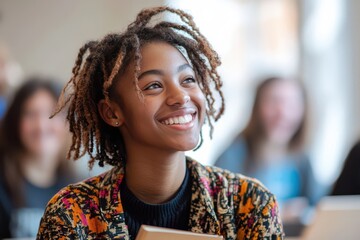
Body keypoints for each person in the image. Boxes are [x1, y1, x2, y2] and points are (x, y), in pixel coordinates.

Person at [36, 7, 284, 239]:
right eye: (154, 85)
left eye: (188, 79)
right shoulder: (72, 214)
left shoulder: (249, 205)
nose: (181, 96)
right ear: (112, 112)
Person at [215, 77, 318, 221]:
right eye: (273, 102)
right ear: (257, 107)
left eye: (292, 104)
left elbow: (316, 205)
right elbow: (218, 210)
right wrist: (276, 212)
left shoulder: (301, 157)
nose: (282, 112)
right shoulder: (234, 155)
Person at [0, 77, 75, 238]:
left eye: (52, 113)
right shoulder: (3, 183)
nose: (41, 125)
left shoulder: (78, 188)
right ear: (16, 123)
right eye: (30, 114)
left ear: (67, 122)